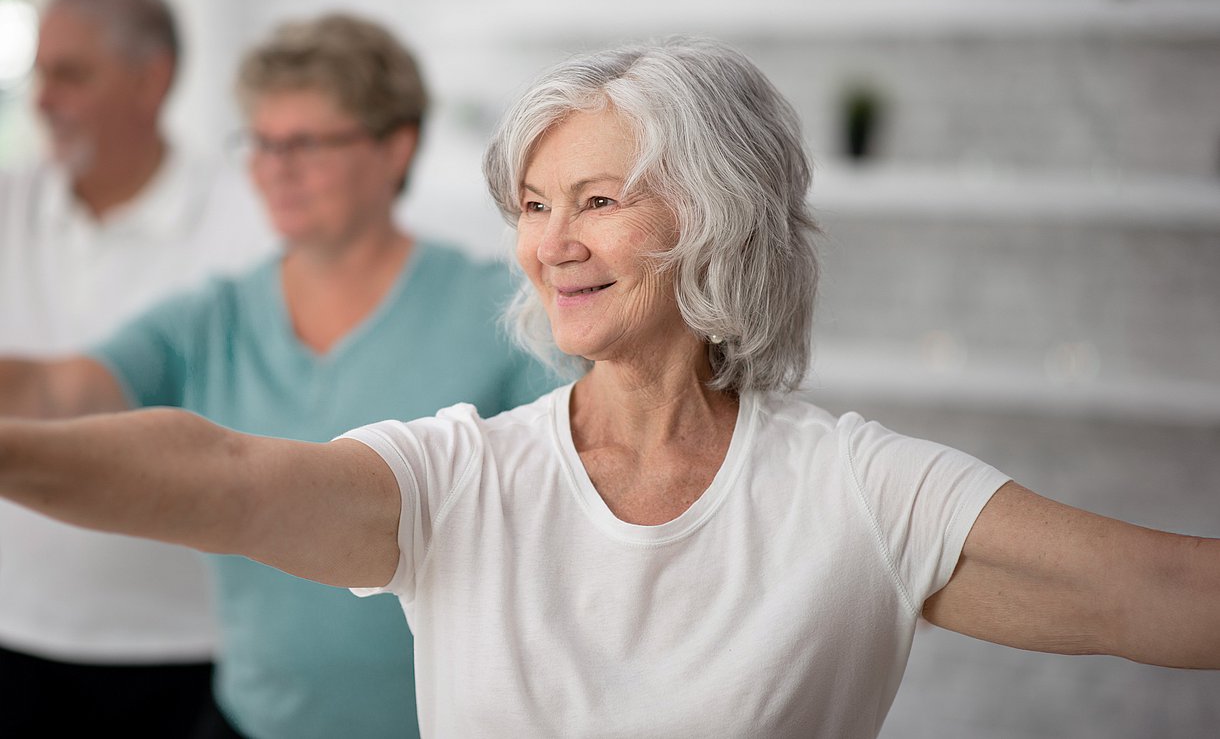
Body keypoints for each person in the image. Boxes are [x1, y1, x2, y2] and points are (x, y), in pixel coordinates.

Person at [1, 37, 1217, 738]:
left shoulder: (858, 489)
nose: (551, 242)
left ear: (720, 219)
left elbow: (1163, 593)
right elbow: (219, 473)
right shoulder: (459, 475)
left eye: (598, 200)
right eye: (533, 206)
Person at [0, 11, 551, 739]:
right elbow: (61, 390)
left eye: (307, 143)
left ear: (396, 147)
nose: (275, 167)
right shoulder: (215, 316)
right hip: (251, 718)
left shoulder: (502, 312)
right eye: (260, 142)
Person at [0, 0, 273, 735]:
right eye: (40, 74)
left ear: (151, 81)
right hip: (14, 630)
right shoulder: (8, 203)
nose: (43, 99)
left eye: (72, 74)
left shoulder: (246, 223)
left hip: (186, 645)